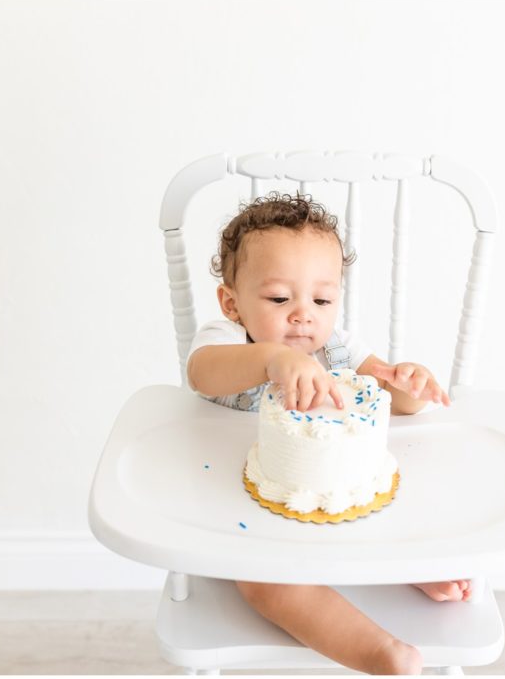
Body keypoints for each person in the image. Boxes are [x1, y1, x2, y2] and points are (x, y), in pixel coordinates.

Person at [186, 192, 469, 675]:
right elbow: (202, 374)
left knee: (389, 502)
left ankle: (409, 568)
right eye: (279, 299)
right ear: (232, 303)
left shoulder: (335, 347)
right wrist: (272, 359)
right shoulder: (227, 341)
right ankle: (379, 652)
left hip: (335, 498)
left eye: (322, 299)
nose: (303, 315)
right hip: (242, 515)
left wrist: (410, 385)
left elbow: (387, 395)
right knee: (263, 585)